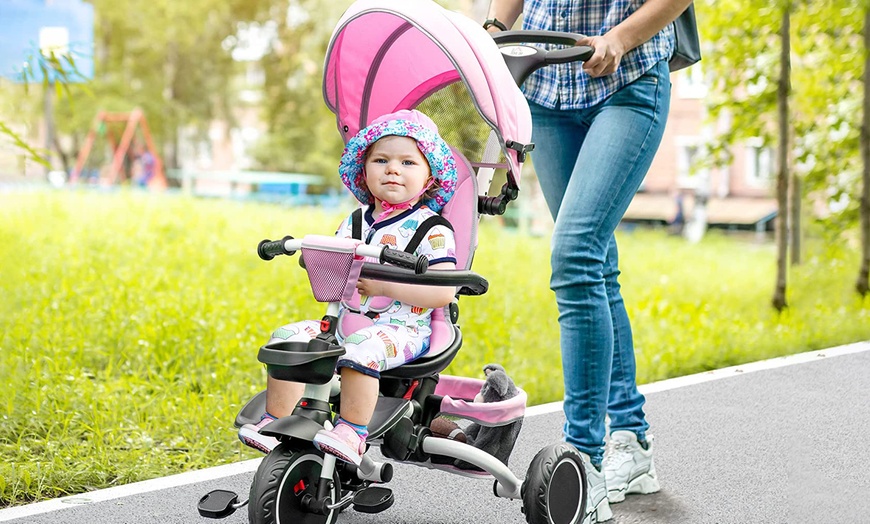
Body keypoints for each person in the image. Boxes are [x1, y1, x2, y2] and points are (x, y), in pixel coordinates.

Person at [484, 0, 690, 520]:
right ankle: (633, 442)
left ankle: (584, 463)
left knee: (575, 255)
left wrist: (621, 36)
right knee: (595, 264)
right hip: (546, 87)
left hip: (626, 76)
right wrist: (493, 30)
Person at [238, 110, 458, 465]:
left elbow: (443, 292)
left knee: (359, 351)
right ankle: (275, 419)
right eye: (381, 160)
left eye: (408, 162)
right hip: (346, 321)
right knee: (287, 337)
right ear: (364, 169)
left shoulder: (432, 229)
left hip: (403, 328)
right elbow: (333, 260)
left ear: (430, 177)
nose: (393, 169)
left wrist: (385, 283)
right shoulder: (354, 221)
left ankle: (352, 431)